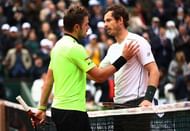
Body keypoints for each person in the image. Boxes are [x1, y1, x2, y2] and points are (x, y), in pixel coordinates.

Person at [33, 5, 138, 131]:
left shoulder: (57, 47)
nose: (88, 29)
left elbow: (49, 81)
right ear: (77, 27)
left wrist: (41, 108)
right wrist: (124, 58)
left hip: (58, 111)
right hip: (73, 113)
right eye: (86, 25)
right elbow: (99, 76)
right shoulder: (75, 48)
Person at [101, 4, 160, 130]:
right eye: (104, 21)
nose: (105, 25)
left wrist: (148, 99)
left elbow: (154, 71)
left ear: (120, 20)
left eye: (108, 20)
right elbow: (99, 74)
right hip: (118, 108)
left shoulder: (137, 41)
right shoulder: (112, 48)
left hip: (137, 106)